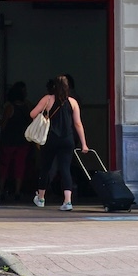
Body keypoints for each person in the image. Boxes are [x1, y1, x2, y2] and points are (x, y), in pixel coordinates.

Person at [29, 74, 89, 211]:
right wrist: (84, 143)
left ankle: (41, 198)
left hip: (50, 139)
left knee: (45, 167)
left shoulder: (47, 99)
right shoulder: (73, 102)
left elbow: (32, 114)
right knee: (65, 169)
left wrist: (44, 114)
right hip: (67, 140)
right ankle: (67, 201)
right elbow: (78, 124)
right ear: (68, 87)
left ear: (54, 86)